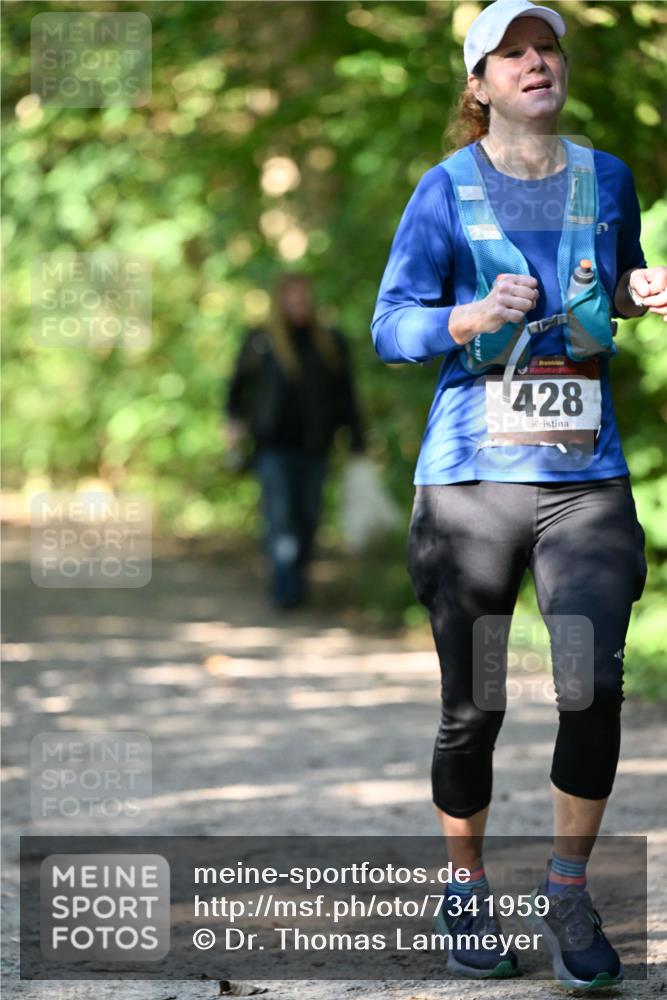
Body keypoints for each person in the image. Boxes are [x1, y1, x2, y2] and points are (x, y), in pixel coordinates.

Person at [371, 0, 667, 988]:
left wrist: (639, 291)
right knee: (476, 704)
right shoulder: (442, 190)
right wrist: (467, 314)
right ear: (479, 84)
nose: (538, 63)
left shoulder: (605, 176)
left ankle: (567, 890)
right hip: (469, 485)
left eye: (547, 48)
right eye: (513, 54)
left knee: (588, 683)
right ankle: (464, 890)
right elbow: (391, 328)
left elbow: (608, 284)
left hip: (581, 480)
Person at [225, 272, 365, 609]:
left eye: (304, 297)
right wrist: (233, 427)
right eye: (293, 297)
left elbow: (346, 395)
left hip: (316, 447)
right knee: (280, 516)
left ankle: (296, 579)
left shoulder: (330, 342)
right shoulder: (261, 341)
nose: (299, 304)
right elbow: (237, 389)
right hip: (272, 447)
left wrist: (357, 440)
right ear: (281, 300)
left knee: (308, 517)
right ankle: (285, 590)